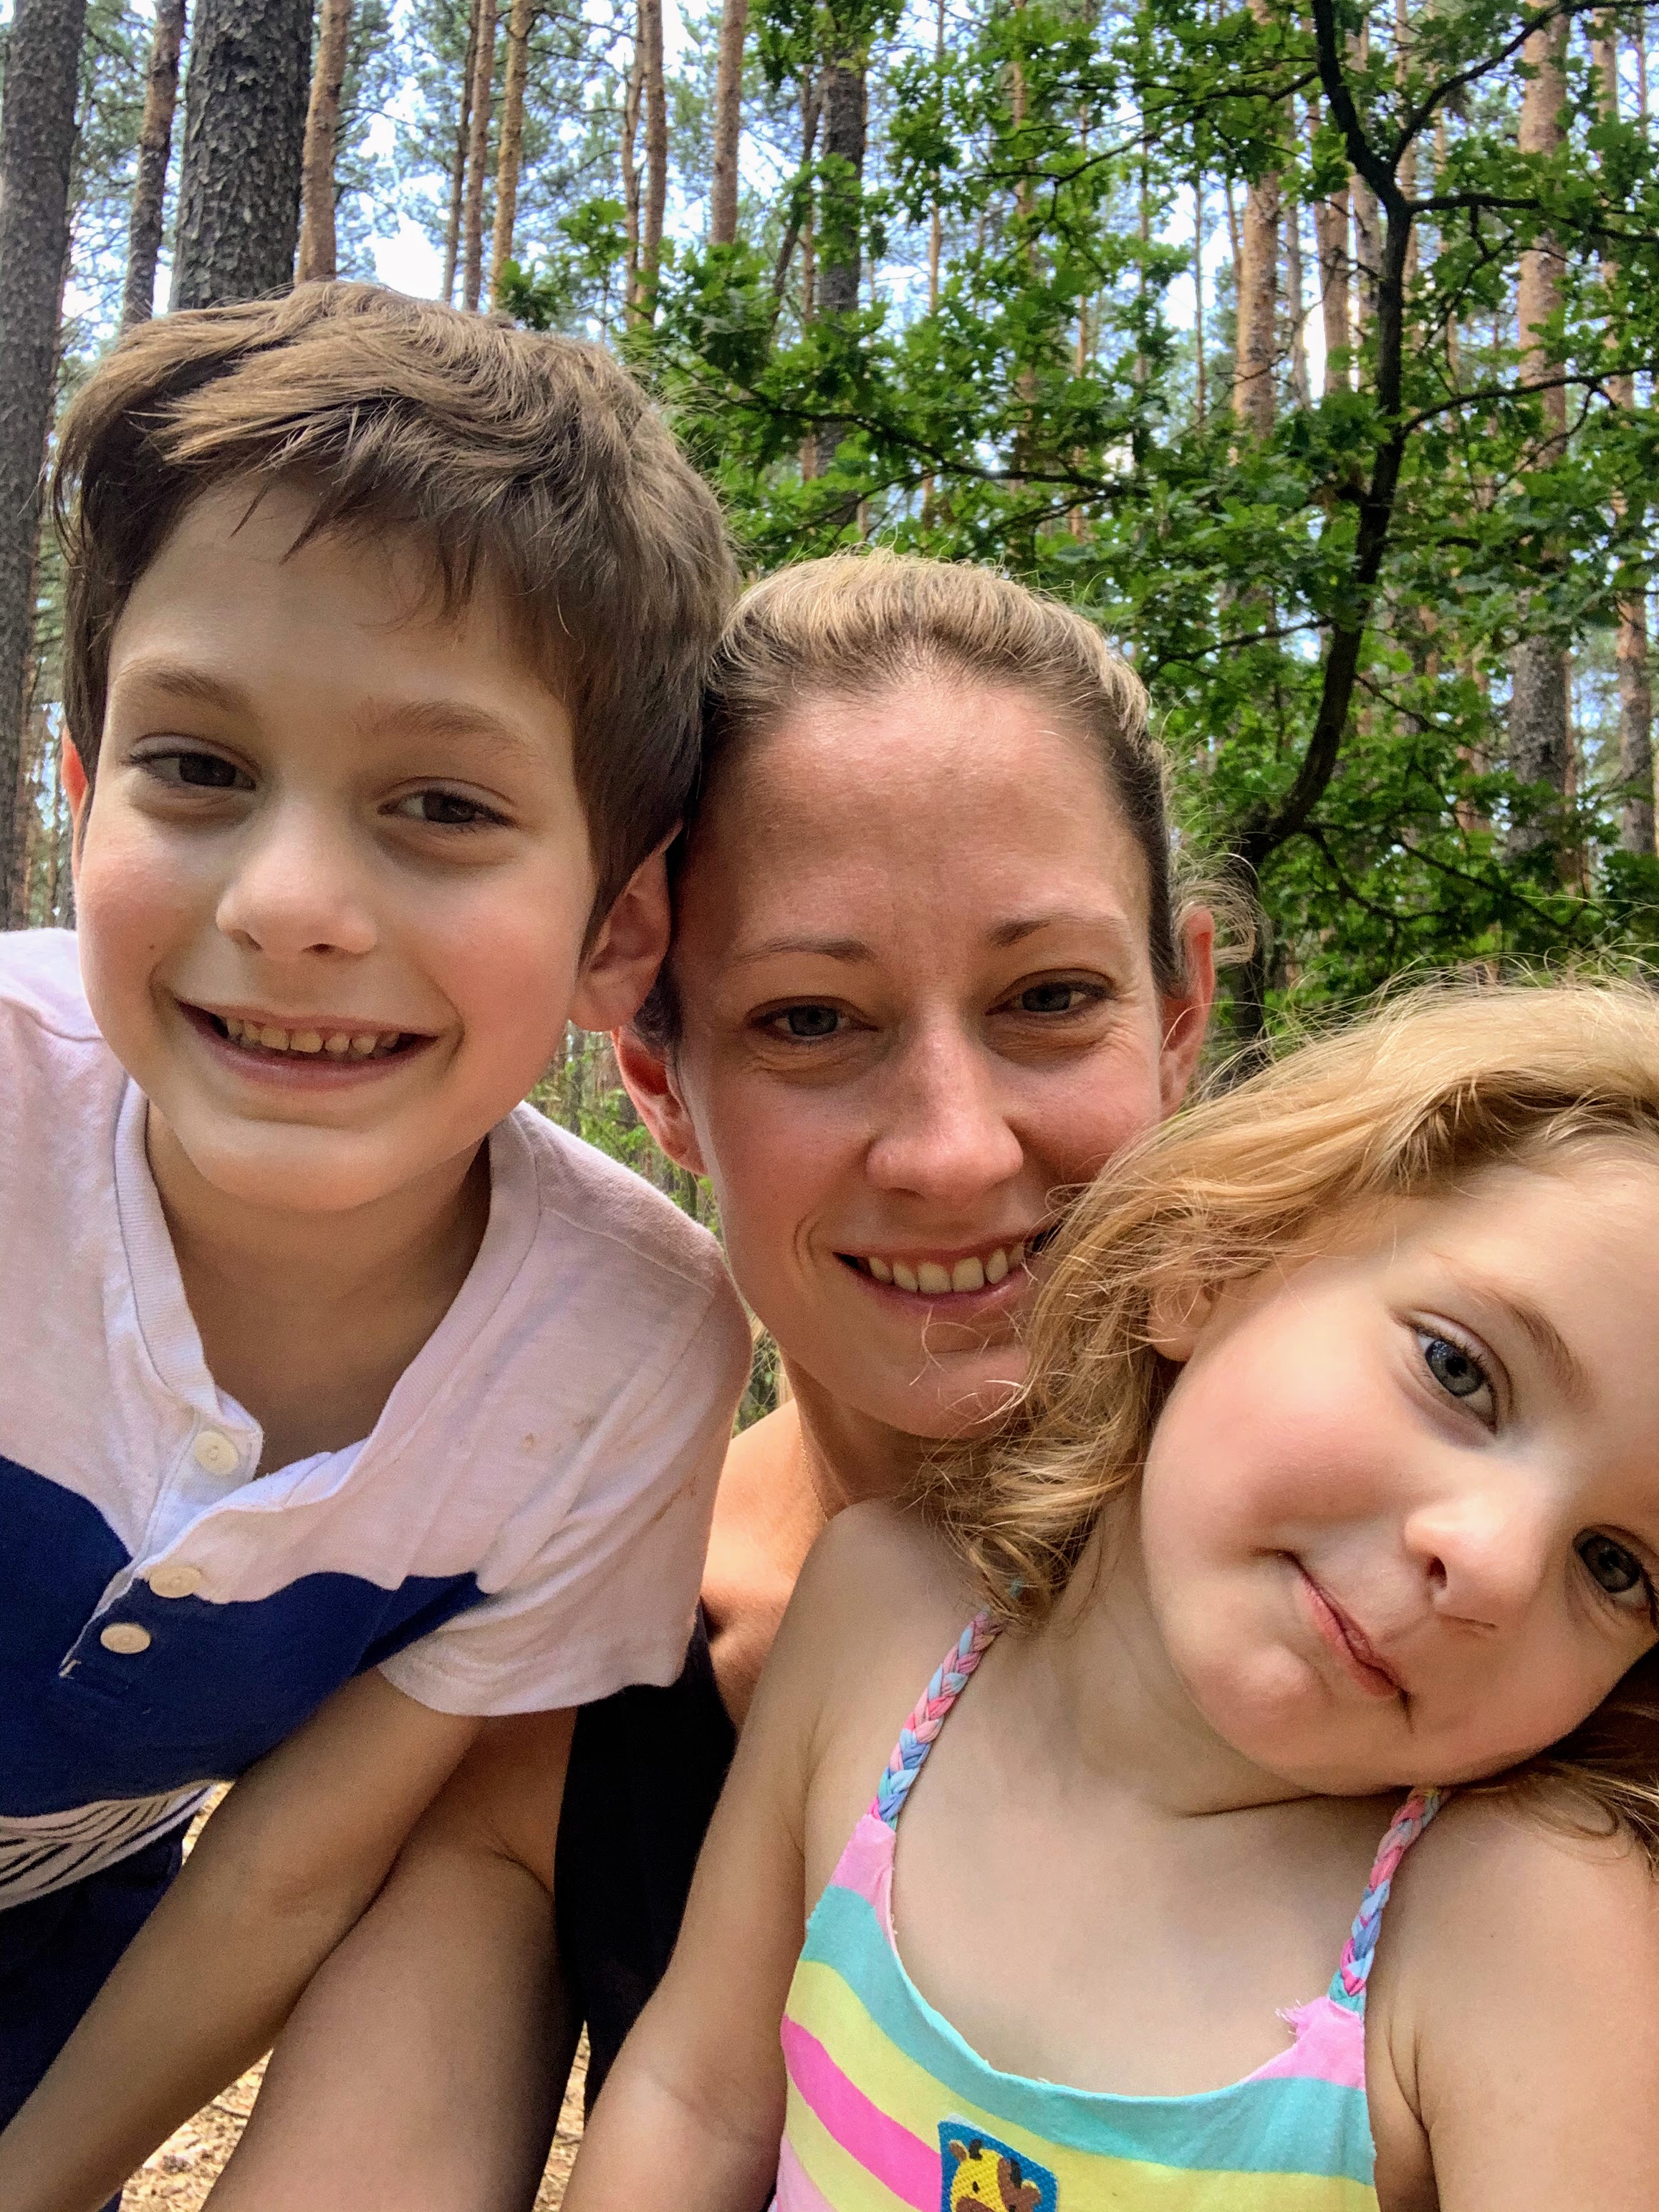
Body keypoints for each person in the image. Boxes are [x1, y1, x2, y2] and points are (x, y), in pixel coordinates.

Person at [199, 554, 1218, 2209]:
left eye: (1049, 998)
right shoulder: (573, 1663)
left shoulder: (1468, 1586)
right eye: (812, 1019)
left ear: (1178, 1016)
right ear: (658, 1080)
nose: (956, 1150)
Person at [0, 283, 753, 2212]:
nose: (293, 902)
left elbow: (284, 1868)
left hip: (54, 1972)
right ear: (80, 797)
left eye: (441, 804)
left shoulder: (621, 1358)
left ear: (618, 930)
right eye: (197, 767)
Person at [567, 978, 1659, 2211]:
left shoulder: (1519, 1927)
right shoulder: (880, 1617)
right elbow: (697, 2100)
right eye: (1460, 1371)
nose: (1497, 1566)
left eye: (1616, 1566)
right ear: (1210, 1265)